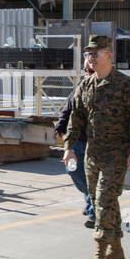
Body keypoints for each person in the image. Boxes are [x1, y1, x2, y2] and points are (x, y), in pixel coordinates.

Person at [63, 35, 130, 259]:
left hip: (116, 154)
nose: (91, 58)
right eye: (88, 54)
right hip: (92, 154)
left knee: (102, 200)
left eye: (95, 53)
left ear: (109, 55)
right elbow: (75, 118)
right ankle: (117, 249)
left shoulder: (125, 85)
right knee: (106, 202)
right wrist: (68, 147)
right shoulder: (85, 86)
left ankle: (99, 253)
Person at [54, 66, 95, 227]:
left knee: (93, 177)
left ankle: (94, 213)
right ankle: (90, 197)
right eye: (85, 70)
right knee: (73, 170)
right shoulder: (80, 87)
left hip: (95, 143)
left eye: (90, 70)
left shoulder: (107, 89)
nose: (87, 73)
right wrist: (60, 126)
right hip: (76, 141)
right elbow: (68, 108)